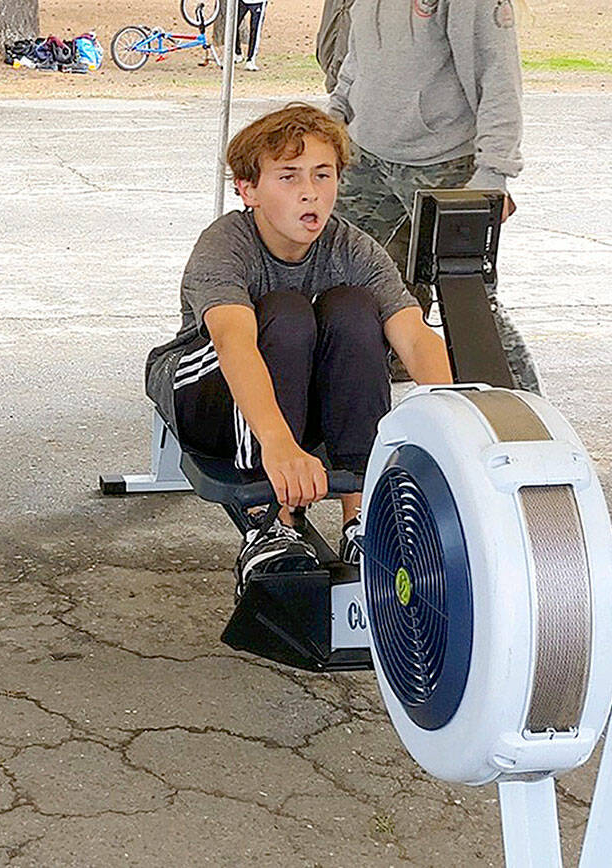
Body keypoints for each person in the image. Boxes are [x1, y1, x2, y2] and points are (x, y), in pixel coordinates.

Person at [145, 104, 451, 596]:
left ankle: (362, 515)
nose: (310, 191)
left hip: (289, 389)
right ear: (248, 191)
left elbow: (413, 335)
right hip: (204, 391)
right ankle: (269, 522)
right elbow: (233, 343)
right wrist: (281, 446)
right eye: (288, 177)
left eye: (322, 174)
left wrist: (459, 424)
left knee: (355, 308)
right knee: (285, 314)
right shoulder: (226, 244)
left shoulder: (353, 247)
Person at [328, 0, 541, 393]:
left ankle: (526, 410)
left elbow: (499, 79)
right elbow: (354, 61)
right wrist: (334, 120)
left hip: (445, 166)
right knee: (331, 272)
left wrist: (493, 174)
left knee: (469, 299)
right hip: (364, 157)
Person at [235, 0, 268, 71]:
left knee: (255, 30)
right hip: (242, 2)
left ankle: (250, 60)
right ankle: (237, 53)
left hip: (258, 2)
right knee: (233, 26)